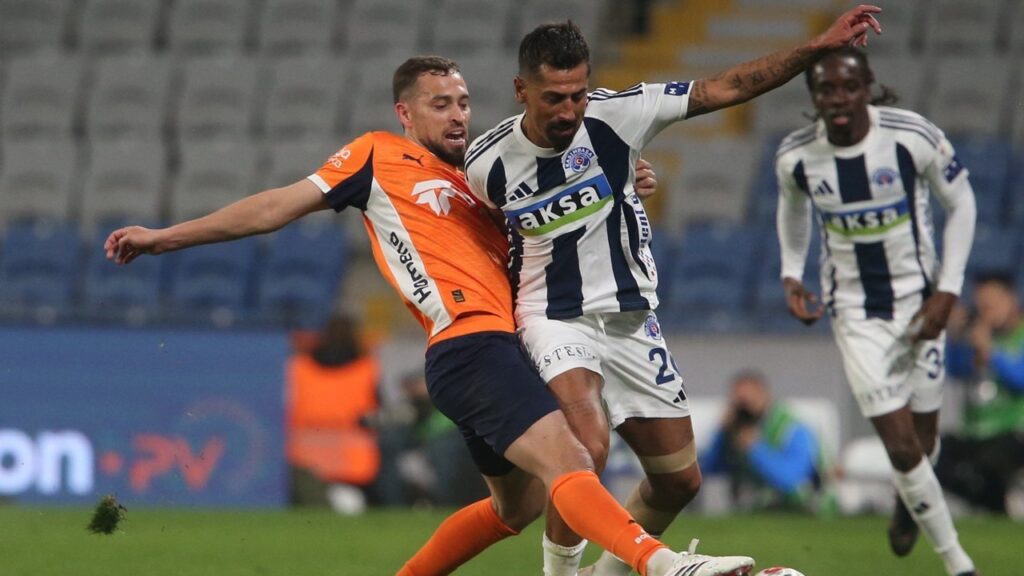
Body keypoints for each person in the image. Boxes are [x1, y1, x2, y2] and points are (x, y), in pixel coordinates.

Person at [105, 56, 755, 576]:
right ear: (405, 113)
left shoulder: (483, 178)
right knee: (571, 460)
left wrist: (623, 181)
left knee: (516, 508)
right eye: (440, 104)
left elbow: (557, 228)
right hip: (469, 344)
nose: (458, 114)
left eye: (464, 102)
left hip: (502, 348)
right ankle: (662, 565)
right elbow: (276, 206)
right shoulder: (376, 155)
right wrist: (165, 237)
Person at [463, 7, 882, 575]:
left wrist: (816, 48)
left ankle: (606, 574)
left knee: (678, 480)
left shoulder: (619, 117)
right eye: (553, 98)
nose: (568, 111)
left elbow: (725, 87)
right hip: (553, 318)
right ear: (522, 91)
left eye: (577, 95)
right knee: (585, 445)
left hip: (632, 319)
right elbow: (483, 234)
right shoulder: (486, 163)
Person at [774, 46, 978, 575]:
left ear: (868, 88)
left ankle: (907, 504)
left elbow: (962, 203)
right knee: (902, 445)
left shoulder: (912, 137)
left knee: (923, 440)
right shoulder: (797, 156)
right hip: (855, 313)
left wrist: (948, 292)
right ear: (814, 96)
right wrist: (792, 273)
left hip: (921, 306)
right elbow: (792, 211)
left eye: (849, 87)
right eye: (826, 89)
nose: (839, 99)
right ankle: (959, 563)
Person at [938, 271, 1024, 515]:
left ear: (1010, 300)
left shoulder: (1018, 336)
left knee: (991, 464)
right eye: (982, 305)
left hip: (1012, 431)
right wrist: (955, 339)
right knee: (934, 457)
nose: (987, 312)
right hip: (975, 431)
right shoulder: (976, 336)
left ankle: (998, 506)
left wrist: (991, 352)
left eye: (992, 305)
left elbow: (1020, 379)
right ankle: (991, 506)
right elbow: (955, 372)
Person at [285, 314, 381, 512]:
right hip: (355, 458)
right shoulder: (367, 367)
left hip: (304, 456)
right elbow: (376, 413)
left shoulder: (298, 367)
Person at [700, 371, 832, 514]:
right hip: (758, 510)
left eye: (748, 402)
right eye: (738, 404)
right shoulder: (736, 432)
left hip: (805, 510)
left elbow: (791, 481)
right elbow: (709, 468)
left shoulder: (792, 429)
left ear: (764, 396)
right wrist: (722, 434)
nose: (744, 410)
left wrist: (754, 448)